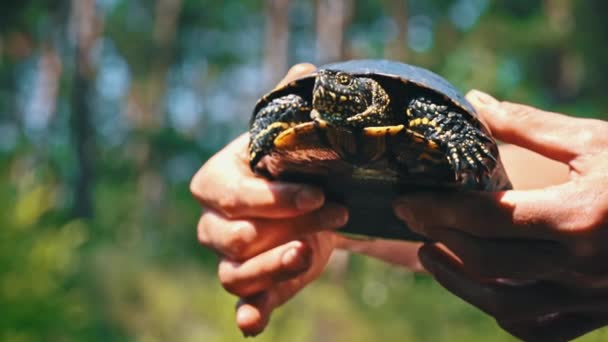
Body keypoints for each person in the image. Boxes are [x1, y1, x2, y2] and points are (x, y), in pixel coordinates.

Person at [190, 64, 608, 340]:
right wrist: (319, 219)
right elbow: (572, 194)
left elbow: (488, 181)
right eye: (323, 88)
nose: (326, 90)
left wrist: (464, 138)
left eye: (343, 87)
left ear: (375, 96)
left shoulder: (416, 110)